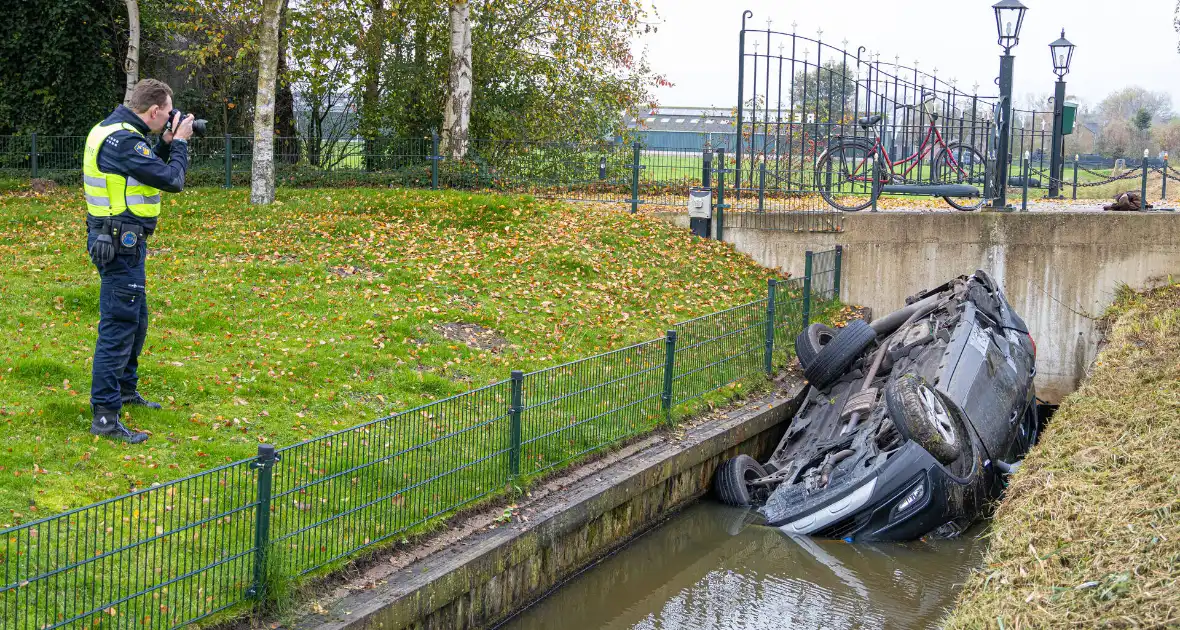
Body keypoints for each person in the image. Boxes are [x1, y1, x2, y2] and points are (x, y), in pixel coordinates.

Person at [84, 79, 193, 443]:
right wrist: (178, 144)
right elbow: (171, 181)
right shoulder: (126, 140)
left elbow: (139, 177)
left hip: (116, 238)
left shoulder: (113, 131)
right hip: (119, 243)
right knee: (118, 326)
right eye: (168, 112)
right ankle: (105, 417)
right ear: (154, 111)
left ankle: (126, 391)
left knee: (136, 319)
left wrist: (162, 145)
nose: (170, 117)